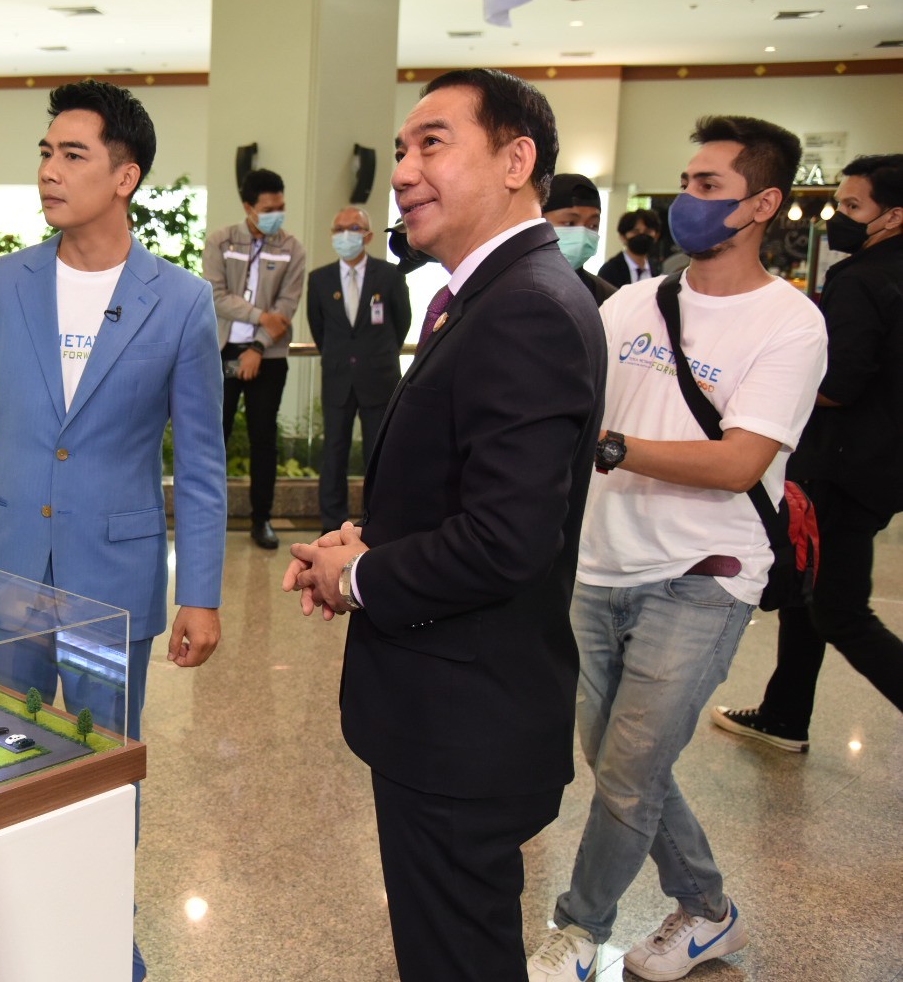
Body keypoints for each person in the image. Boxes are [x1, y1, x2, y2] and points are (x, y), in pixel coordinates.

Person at [282, 68, 606, 982]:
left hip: (466, 724)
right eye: (400, 151)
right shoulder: (491, 293)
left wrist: (359, 577)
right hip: (453, 711)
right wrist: (365, 543)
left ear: (515, 160)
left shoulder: (527, 307)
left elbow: (507, 538)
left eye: (433, 143)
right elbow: (465, 487)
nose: (403, 171)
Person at [0, 79, 226, 982]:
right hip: (4, 562)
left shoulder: (180, 300)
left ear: (124, 176)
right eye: (45, 153)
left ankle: (100, 933)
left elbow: (201, 463)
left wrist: (201, 593)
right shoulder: (2, 283)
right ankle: (7, 932)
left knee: (102, 765)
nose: (49, 172)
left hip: (112, 578)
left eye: (73, 155)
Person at [526, 116, 826, 982]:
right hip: (598, 566)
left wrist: (612, 447)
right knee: (622, 763)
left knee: (628, 772)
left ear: (762, 204)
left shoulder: (791, 323)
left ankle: (579, 930)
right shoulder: (633, 303)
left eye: (708, 186)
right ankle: (709, 911)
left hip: (703, 576)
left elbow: (739, 462)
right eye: (685, 182)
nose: (684, 199)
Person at [713, 152, 903, 751]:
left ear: (893, 215)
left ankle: (785, 712)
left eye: (852, 206)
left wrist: (771, 387)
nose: (838, 216)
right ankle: (785, 713)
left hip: (843, 466)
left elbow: (837, 382)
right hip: (880, 462)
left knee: (839, 610)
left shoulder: (862, 279)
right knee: (807, 589)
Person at [204, 167, 306, 550]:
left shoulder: (293, 248)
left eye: (281, 207)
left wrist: (258, 346)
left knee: (264, 440)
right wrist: (260, 316)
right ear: (248, 207)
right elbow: (215, 295)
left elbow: (287, 307)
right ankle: (209, 518)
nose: (276, 215)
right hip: (224, 353)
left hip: (269, 355)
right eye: (268, 209)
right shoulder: (221, 241)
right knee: (216, 436)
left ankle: (261, 520)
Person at [305, 206, 410, 533]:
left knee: (378, 455)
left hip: (379, 378)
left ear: (367, 235)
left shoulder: (390, 275)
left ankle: (377, 523)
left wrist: (375, 354)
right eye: (338, 229)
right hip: (338, 378)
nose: (344, 235)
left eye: (352, 228)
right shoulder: (319, 279)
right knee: (333, 454)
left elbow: (402, 323)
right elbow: (319, 328)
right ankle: (331, 526)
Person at [542, 172, 617, 306]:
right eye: (569, 223)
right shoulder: (513, 285)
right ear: (539, 220)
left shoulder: (607, 298)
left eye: (593, 225)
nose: (582, 234)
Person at [598, 208, 664, 287]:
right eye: (635, 232)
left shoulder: (659, 269)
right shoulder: (609, 271)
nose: (642, 235)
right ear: (623, 237)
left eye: (647, 231)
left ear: (656, 236)